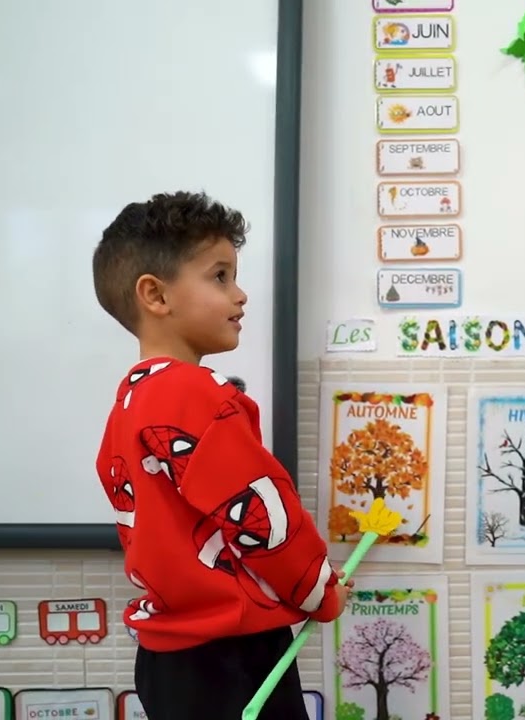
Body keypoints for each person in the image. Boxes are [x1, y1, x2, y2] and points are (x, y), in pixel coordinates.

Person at [91, 191, 350, 719]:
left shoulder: (129, 402)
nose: (240, 294)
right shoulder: (198, 394)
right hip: (232, 658)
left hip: (166, 661)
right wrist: (320, 591)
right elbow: (262, 517)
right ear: (155, 295)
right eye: (220, 277)